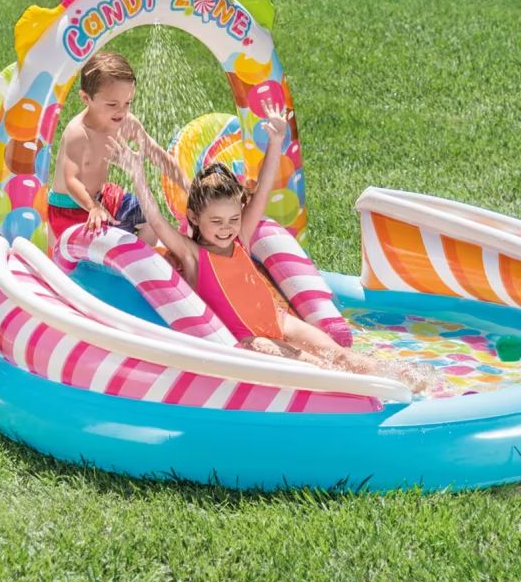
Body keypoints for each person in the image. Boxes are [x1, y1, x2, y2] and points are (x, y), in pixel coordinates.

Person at [110, 102, 441, 395]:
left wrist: (276, 141)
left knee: (340, 356)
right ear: (194, 218)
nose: (226, 228)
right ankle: (373, 396)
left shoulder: (240, 237)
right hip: (250, 341)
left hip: (279, 321)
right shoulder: (192, 254)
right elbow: (157, 220)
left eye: (233, 219)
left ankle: (414, 383)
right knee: (318, 367)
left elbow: (264, 189)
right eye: (217, 221)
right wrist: (137, 173)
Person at [47, 51, 188, 244]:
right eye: (112, 104)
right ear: (86, 98)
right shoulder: (78, 133)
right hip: (69, 208)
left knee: (149, 219)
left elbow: (158, 156)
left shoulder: (126, 123)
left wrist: (188, 186)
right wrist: (93, 207)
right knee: (100, 246)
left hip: (102, 196)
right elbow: (71, 181)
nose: (122, 111)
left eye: (127, 103)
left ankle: (141, 259)